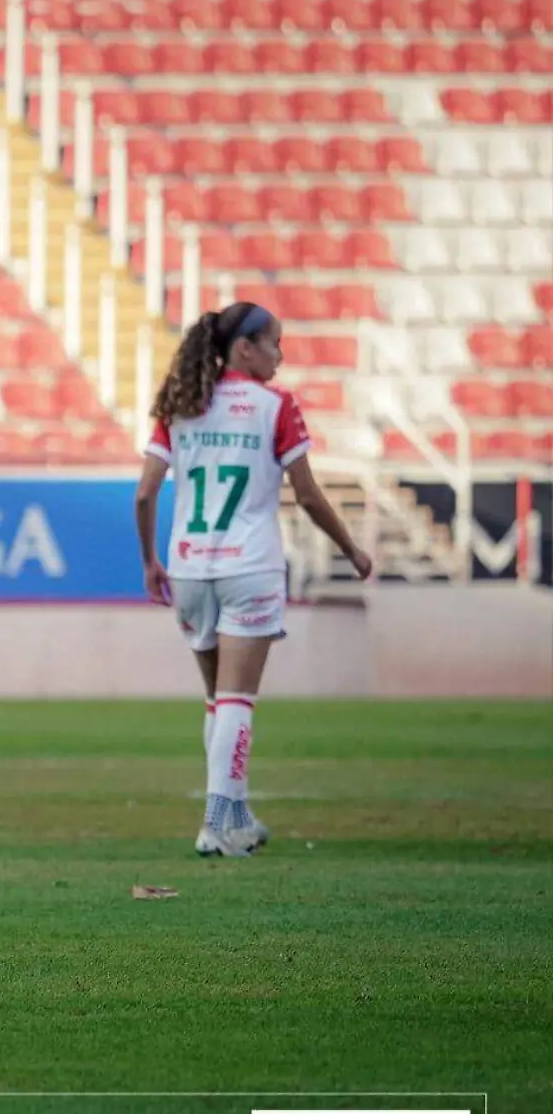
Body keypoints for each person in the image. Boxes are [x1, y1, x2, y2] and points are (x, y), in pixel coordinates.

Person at [134, 302, 373, 858]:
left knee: (219, 701)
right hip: (251, 566)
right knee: (238, 699)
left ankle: (235, 816)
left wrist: (150, 561)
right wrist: (351, 548)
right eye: (273, 343)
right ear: (244, 347)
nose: (280, 356)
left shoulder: (181, 405)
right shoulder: (275, 406)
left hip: (189, 565)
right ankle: (216, 824)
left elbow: (145, 493)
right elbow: (308, 496)